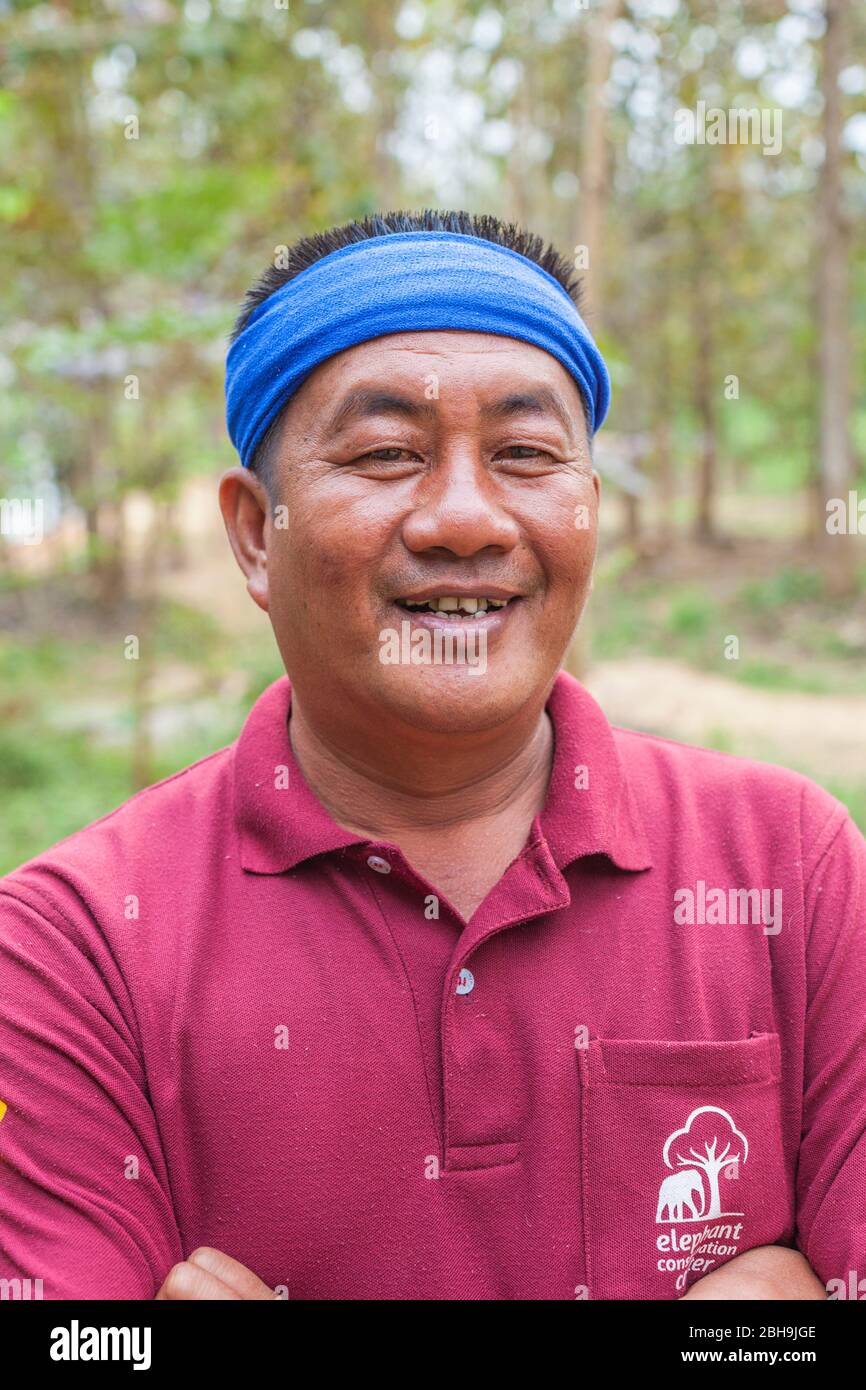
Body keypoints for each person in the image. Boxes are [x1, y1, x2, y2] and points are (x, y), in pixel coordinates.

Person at [1, 210, 861, 1301]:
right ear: (255, 534)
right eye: (385, 454)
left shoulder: (792, 869)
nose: (463, 518)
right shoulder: (74, 944)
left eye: (524, 454)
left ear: (587, 510)